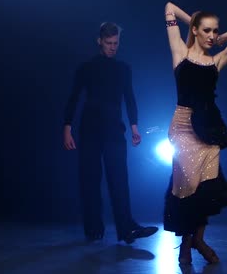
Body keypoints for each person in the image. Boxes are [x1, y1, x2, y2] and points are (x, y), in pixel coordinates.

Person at [163, 2, 227, 264]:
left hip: (209, 129)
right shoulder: (180, 52)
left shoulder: (216, 61)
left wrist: (221, 37)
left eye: (216, 31)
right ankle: (187, 241)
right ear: (196, 31)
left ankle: (195, 240)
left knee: (207, 189)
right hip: (183, 127)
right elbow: (169, 7)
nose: (213, 36)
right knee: (187, 187)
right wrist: (193, 22)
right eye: (207, 31)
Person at [63, 22, 158, 244]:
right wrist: (67, 128)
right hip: (90, 129)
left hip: (115, 129)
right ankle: (93, 228)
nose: (113, 47)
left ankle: (126, 228)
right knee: (90, 179)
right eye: (108, 43)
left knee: (119, 179)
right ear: (99, 41)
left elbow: (129, 97)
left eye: (116, 43)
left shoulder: (123, 68)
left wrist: (134, 126)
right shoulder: (86, 68)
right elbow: (74, 98)